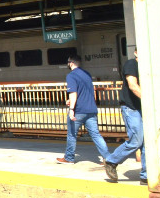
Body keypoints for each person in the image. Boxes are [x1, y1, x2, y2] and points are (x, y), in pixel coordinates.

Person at [103, 49, 145, 184]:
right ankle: (111, 160)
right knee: (136, 141)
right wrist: (149, 101)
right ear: (136, 52)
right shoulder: (132, 64)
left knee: (146, 144)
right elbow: (133, 86)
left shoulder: (146, 67)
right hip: (131, 108)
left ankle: (146, 175)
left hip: (142, 109)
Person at [57, 55, 109, 164]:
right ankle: (108, 158)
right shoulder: (87, 74)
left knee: (72, 135)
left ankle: (69, 157)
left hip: (78, 110)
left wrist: (71, 109)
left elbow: (74, 93)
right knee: (96, 135)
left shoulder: (71, 76)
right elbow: (86, 92)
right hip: (91, 109)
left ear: (70, 63)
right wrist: (70, 100)